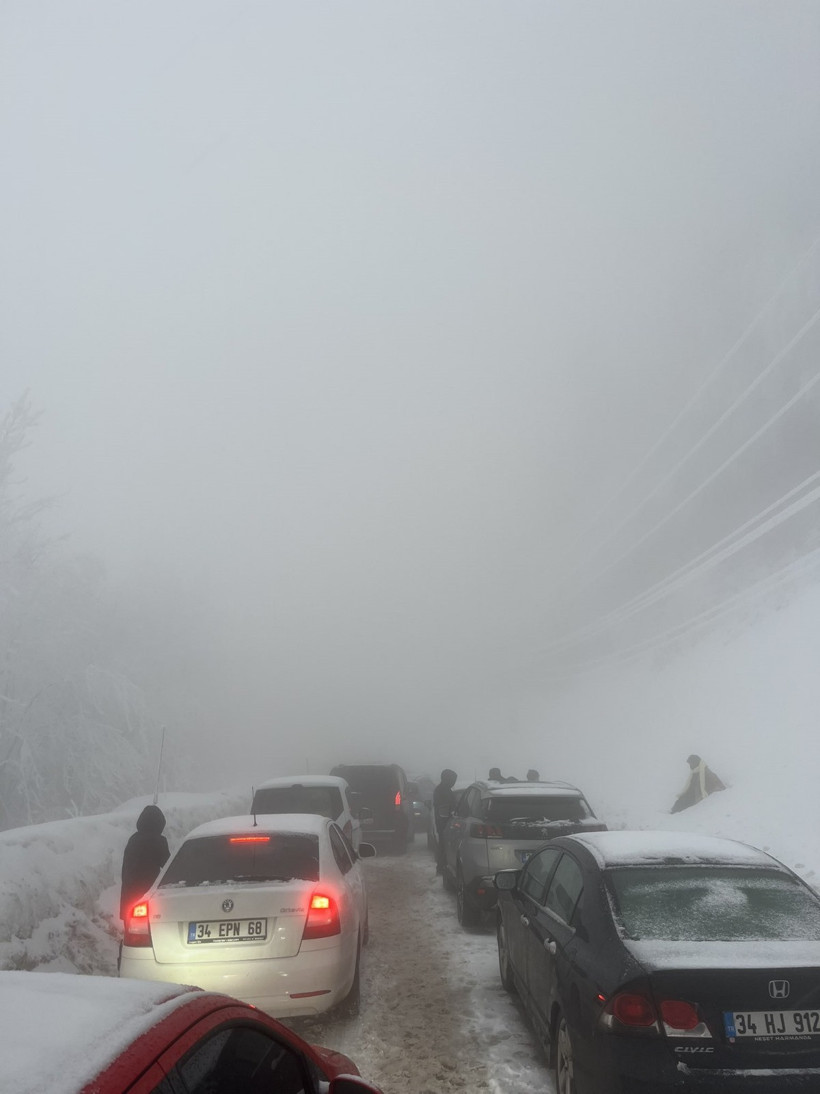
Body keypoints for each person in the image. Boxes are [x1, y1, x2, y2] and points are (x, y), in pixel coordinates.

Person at [120, 804, 170, 921]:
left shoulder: (133, 839)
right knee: (147, 930)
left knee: (132, 930)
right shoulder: (158, 841)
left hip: (129, 892)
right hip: (148, 893)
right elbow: (168, 865)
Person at [432, 769, 458, 875]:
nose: (454, 782)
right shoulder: (441, 791)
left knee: (446, 846)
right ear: (446, 779)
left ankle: (444, 867)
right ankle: (441, 867)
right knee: (444, 846)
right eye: (452, 779)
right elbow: (443, 807)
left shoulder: (446, 790)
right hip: (444, 822)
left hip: (446, 821)